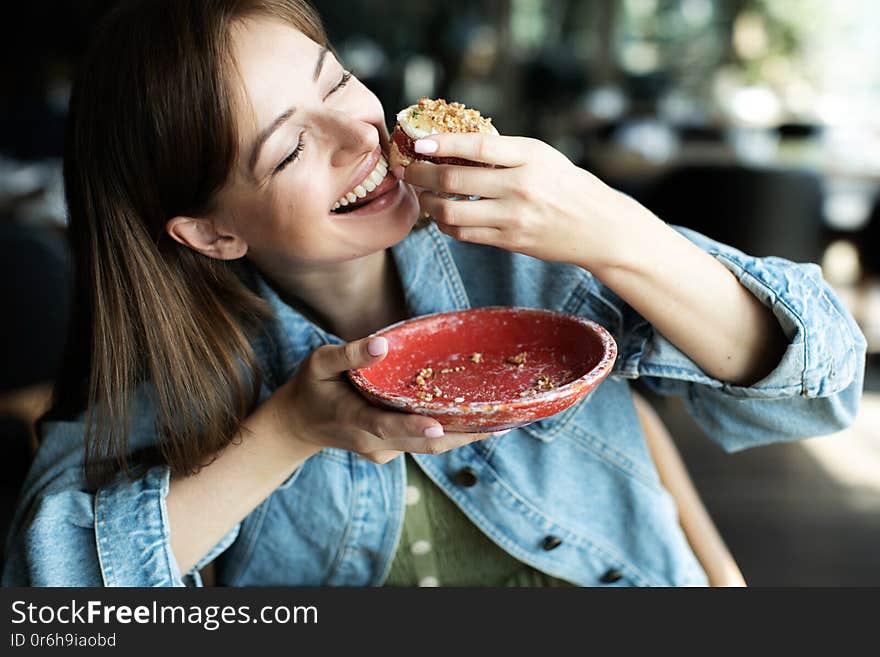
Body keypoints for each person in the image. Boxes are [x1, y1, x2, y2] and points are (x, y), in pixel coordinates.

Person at [1, 0, 865, 587]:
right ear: (213, 233)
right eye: (289, 148)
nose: (358, 135)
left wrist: (610, 225)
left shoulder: (529, 251)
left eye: (336, 81)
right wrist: (289, 431)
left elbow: (823, 387)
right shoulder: (181, 379)